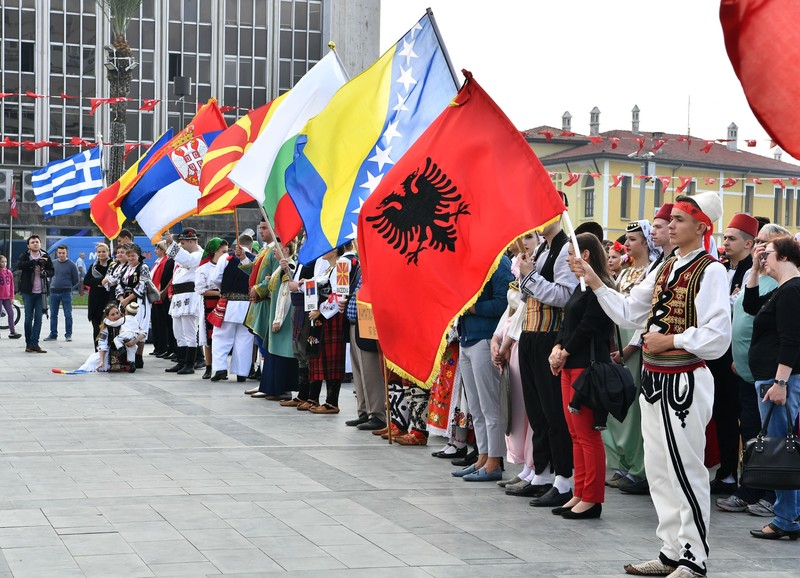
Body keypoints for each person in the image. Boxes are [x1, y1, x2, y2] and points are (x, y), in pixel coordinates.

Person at [574, 192, 731, 577]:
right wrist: (594, 279)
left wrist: (673, 340)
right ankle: (671, 549)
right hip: (654, 378)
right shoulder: (664, 268)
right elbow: (628, 309)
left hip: (685, 381)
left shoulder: (709, 271)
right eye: (671, 218)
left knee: (686, 468)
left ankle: (694, 556)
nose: (671, 225)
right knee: (660, 469)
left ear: (701, 226)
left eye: (680, 219)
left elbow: (718, 335)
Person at [718, 223, 788, 516]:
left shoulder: (786, 280)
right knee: (749, 430)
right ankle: (749, 488)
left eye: (766, 244)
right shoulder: (756, 273)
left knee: (772, 435)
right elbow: (747, 309)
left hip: (772, 372)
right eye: (757, 243)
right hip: (748, 367)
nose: (760, 249)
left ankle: (771, 494)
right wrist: (739, 355)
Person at [549, 232, 615, 519]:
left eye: (570, 253)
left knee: (588, 435)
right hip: (570, 364)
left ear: (585, 255)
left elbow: (589, 326)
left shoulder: (600, 287)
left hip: (587, 367)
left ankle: (592, 497)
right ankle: (579, 491)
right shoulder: (579, 286)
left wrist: (565, 351)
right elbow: (568, 322)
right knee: (575, 434)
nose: (567, 259)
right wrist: (557, 347)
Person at [517, 208, 579, 507]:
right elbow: (525, 296)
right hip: (530, 334)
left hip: (549, 337)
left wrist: (530, 277)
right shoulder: (542, 248)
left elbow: (566, 295)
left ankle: (563, 479)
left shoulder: (567, 247)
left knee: (555, 413)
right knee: (537, 412)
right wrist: (526, 275)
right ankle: (541, 473)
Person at [743, 234, 800, 541]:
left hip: (778, 382)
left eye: (769, 254)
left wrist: (780, 382)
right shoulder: (780, 290)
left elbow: (792, 339)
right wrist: (754, 267)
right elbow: (751, 305)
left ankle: (787, 518)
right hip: (769, 379)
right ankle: (789, 514)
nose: (764, 258)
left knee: (780, 449)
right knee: (780, 446)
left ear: (786, 257)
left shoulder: (792, 290)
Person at [605, 220, 658, 496]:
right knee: (621, 404)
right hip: (619, 341)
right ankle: (625, 463)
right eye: (626, 239)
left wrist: (631, 347)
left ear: (647, 242)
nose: (627, 244)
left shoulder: (651, 272)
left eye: (634, 239)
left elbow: (647, 317)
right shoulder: (626, 274)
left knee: (635, 406)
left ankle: (640, 469)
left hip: (635, 347)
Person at [708, 213, 758, 497]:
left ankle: (749, 481)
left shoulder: (753, 271)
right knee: (723, 414)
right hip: (720, 352)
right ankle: (727, 473)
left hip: (740, 355)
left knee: (745, 418)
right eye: (724, 237)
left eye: (731, 238)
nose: (725, 243)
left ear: (749, 244)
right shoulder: (722, 269)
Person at [451, 256, 512, 480]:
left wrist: (472, 308)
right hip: (468, 338)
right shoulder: (470, 262)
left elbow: (505, 303)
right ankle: (483, 457)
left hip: (486, 339)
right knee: (476, 408)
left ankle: (494, 461)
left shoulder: (499, 262)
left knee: (490, 407)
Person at [210, 234, 256, 382]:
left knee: (221, 336)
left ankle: (220, 369)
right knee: (245, 338)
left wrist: (224, 289)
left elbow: (215, 279)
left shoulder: (226, 258)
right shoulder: (255, 259)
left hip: (228, 303)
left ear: (237, 244)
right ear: (250, 246)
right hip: (248, 304)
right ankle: (242, 372)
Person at [164, 228, 203, 375]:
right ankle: (181, 361)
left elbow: (187, 261)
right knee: (178, 331)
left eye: (183, 243)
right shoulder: (185, 256)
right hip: (178, 295)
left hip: (190, 295)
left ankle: (189, 363)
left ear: (192, 241)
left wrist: (171, 244)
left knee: (189, 331)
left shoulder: (199, 255)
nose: (182, 245)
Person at [115, 244, 152, 370]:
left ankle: (139, 356)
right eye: (129, 255)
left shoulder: (143, 267)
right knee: (127, 327)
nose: (131, 258)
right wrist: (121, 299)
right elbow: (119, 284)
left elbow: (142, 285)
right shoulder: (125, 268)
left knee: (140, 326)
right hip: (125, 300)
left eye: (133, 255)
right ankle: (129, 356)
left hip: (139, 300)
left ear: (138, 256)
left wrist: (127, 299)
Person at [16, 235, 54, 353]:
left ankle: (35, 343)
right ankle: (28, 343)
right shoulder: (25, 255)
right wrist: (34, 263)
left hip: (41, 292)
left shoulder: (45, 256)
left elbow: (52, 271)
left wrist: (44, 271)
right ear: (28, 245)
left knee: (38, 318)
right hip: (28, 292)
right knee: (28, 319)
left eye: (37, 242)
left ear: (40, 243)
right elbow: (20, 265)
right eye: (32, 242)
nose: (35, 244)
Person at [196, 238, 227, 379]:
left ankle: (221, 368)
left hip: (225, 304)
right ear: (215, 251)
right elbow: (200, 289)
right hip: (208, 303)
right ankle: (208, 367)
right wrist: (218, 292)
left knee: (222, 336)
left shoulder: (227, 266)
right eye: (223, 252)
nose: (226, 255)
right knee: (208, 337)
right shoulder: (203, 269)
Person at [75, 304, 130, 372]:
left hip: (126, 351)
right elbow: (102, 344)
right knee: (91, 362)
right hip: (110, 353)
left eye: (117, 313)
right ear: (107, 317)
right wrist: (101, 361)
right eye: (112, 315)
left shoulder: (126, 323)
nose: (116, 316)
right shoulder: (106, 328)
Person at [44, 245, 79, 342]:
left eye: (63, 253)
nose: (61, 255)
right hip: (54, 292)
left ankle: (68, 334)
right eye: (59, 253)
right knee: (53, 314)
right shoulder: (53, 263)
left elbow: (76, 279)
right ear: (56, 253)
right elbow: (49, 275)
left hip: (66, 292)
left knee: (68, 314)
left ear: (67, 253)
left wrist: (68, 286)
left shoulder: (72, 265)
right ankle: (53, 334)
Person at [148, 241, 175, 359]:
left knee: (163, 323)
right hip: (155, 294)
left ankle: (164, 347)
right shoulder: (157, 261)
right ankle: (158, 346)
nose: (156, 251)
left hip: (160, 294)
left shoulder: (165, 261)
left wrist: (160, 291)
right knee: (156, 322)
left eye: (158, 249)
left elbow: (161, 278)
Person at [84, 243, 111, 350]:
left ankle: (106, 351)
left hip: (106, 299)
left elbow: (110, 279)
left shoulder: (112, 265)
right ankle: (97, 351)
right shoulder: (94, 266)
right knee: (96, 328)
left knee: (105, 327)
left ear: (108, 252)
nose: (101, 254)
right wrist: (100, 282)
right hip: (94, 300)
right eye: (99, 252)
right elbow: (86, 280)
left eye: (103, 251)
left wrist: (96, 282)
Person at [114, 301, 142, 373]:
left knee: (116, 339)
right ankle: (132, 363)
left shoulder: (124, 318)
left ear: (126, 312)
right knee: (131, 349)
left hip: (125, 334)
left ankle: (121, 349)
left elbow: (116, 323)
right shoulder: (136, 320)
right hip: (134, 336)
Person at [0, 255, 21, 338]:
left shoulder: (9, 272)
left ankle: (12, 332)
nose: (4, 263)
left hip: (7, 297)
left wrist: (12, 296)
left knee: (11, 313)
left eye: (5, 261)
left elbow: (12, 285)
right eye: (2, 262)